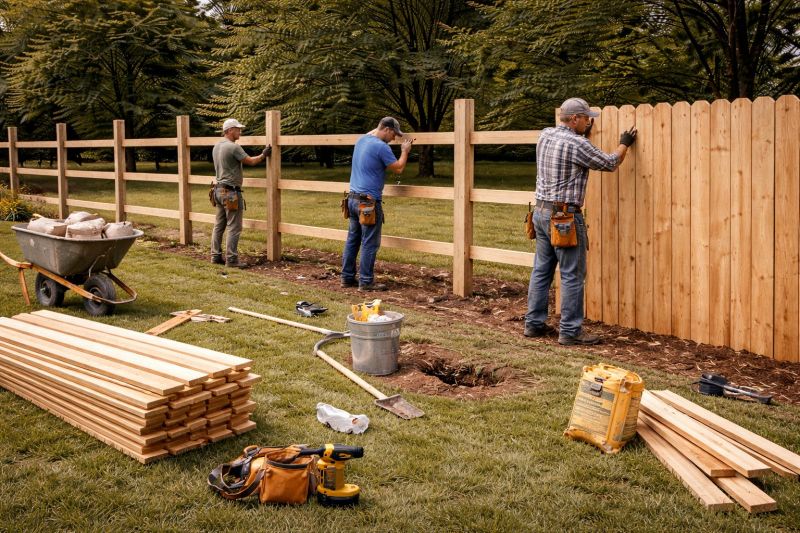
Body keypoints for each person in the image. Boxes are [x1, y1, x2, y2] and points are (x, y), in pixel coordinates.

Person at [525, 98, 637, 345]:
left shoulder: (545, 135)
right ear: (575, 119)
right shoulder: (577, 144)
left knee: (542, 271)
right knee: (572, 274)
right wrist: (624, 144)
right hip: (564, 217)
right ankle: (570, 331)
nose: (589, 122)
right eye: (586, 118)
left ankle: (533, 324)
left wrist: (584, 133)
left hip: (541, 213)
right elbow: (610, 163)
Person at [341, 117, 413, 291]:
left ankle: (346, 278)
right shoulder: (382, 147)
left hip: (351, 199)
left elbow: (372, 132)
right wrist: (405, 151)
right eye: (394, 134)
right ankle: (365, 282)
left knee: (353, 240)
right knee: (369, 242)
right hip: (368, 203)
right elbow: (398, 168)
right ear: (387, 129)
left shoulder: (361, 140)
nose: (395, 138)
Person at [211, 118, 271, 268]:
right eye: (237, 129)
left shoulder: (217, 146)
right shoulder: (233, 147)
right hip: (230, 192)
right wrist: (264, 154)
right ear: (229, 130)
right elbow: (250, 161)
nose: (240, 131)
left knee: (219, 225)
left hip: (217, 190)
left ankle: (215, 256)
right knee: (234, 227)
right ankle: (231, 260)